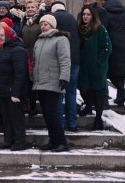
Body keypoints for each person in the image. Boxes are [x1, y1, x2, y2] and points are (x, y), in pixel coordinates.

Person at [0, 26, 29, 151]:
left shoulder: (18, 50)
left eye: (3, 36)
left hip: (12, 90)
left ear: (10, 36)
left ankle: (19, 142)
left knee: (16, 117)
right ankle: (8, 140)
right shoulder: (4, 48)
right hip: (2, 89)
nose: (0, 38)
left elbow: (21, 73)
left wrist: (15, 92)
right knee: (6, 117)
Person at [32, 14, 70, 152]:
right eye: (41, 24)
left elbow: (65, 59)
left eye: (46, 24)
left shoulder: (61, 39)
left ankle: (62, 142)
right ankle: (53, 141)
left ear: (52, 25)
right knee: (47, 114)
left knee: (52, 113)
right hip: (40, 82)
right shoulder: (39, 41)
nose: (43, 26)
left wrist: (64, 77)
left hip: (54, 82)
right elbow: (36, 62)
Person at [78, 7, 112, 130]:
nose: (85, 17)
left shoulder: (100, 29)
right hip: (84, 67)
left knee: (98, 93)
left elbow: (107, 48)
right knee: (84, 89)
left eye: (88, 14)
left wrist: (99, 63)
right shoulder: (80, 30)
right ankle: (87, 105)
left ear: (93, 16)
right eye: (84, 14)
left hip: (97, 68)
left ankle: (98, 119)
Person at [50, 2, 81, 132]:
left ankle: (59, 123)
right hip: (74, 60)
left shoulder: (52, 17)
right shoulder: (73, 19)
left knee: (58, 93)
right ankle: (72, 123)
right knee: (71, 92)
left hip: (59, 61)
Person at [20, 0, 42, 115]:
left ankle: (34, 106)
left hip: (37, 54)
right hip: (25, 54)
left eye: (32, 7)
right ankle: (28, 105)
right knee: (27, 82)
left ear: (37, 9)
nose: (30, 9)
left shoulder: (40, 21)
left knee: (34, 81)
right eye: (28, 7)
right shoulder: (23, 21)